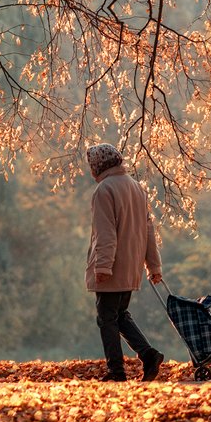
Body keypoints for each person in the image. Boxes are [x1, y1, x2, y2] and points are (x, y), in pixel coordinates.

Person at [84, 144, 164, 382]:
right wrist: (154, 265)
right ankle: (149, 355)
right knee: (119, 314)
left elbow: (105, 233)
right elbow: (148, 230)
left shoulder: (104, 190)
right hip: (132, 265)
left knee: (106, 318)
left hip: (113, 266)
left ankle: (116, 371)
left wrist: (103, 267)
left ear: (97, 166)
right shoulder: (136, 187)